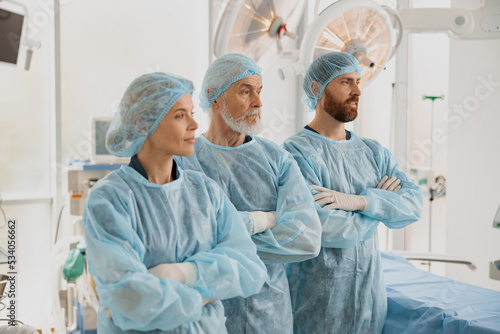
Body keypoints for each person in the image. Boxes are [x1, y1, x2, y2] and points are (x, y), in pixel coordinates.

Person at [82, 72, 268, 333]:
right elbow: (130, 297)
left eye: (192, 112)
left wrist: (184, 273)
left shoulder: (204, 190)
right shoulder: (109, 199)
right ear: (140, 124)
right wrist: (207, 293)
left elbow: (250, 268)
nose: (194, 124)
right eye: (180, 115)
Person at [175, 53, 321, 333]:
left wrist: (222, 243)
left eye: (260, 91)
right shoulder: (183, 161)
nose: (258, 102)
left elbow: (306, 237)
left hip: (267, 316)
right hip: (202, 318)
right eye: (246, 91)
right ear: (213, 97)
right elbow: (183, 238)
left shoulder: (277, 160)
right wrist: (262, 220)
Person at [282, 52, 423, 334]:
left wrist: (361, 201)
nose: (358, 91)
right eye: (346, 82)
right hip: (318, 305)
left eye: (358, 82)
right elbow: (326, 227)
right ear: (316, 89)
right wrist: (380, 208)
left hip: (370, 302)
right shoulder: (296, 153)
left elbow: (413, 205)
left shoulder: (373, 152)